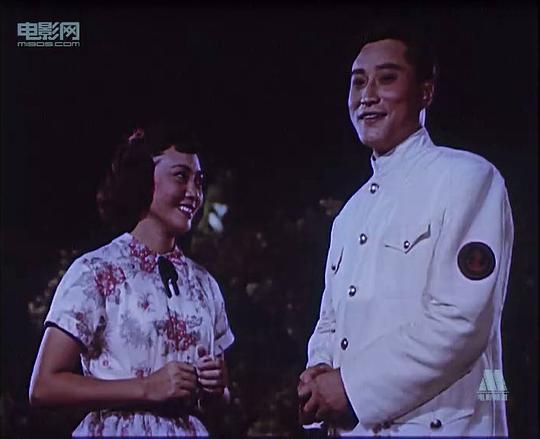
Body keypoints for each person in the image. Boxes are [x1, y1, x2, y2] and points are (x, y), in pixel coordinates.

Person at [298, 23, 513, 437]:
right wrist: (319, 368)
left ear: (425, 93)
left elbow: (462, 321)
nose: (367, 95)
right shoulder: (350, 215)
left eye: (386, 78)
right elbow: (330, 320)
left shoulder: (468, 178)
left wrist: (350, 387)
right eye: (358, 82)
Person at [29, 125, 235, 437]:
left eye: (199, 181)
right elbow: (44, 386)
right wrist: (146, 388)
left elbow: (222, 401)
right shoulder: (95, 271)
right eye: (181, 176)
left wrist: (217, 389)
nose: (194, 193)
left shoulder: (205, 286)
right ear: (143, 179)